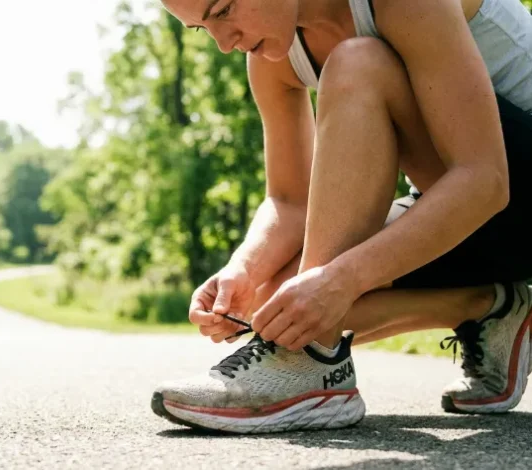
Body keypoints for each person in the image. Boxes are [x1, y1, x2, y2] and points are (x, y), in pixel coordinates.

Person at [151, 0, 532, 433]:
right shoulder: (272, 51)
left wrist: (342, 279)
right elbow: (290, 202)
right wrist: (244, 269)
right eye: (201, 28)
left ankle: (309, 366)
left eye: (222, 10)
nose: (223, 43)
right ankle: (490, 308)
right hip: (483, 223)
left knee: (358, 62)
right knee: (273, 300)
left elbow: (484, 180)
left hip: (493, 193)